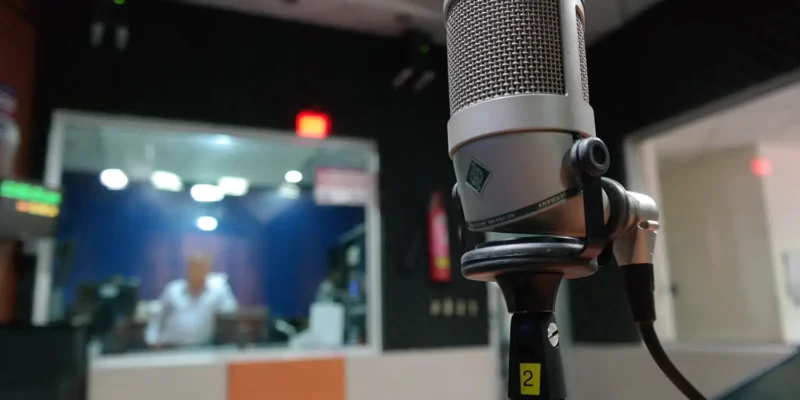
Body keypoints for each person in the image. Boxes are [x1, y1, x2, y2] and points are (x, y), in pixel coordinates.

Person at [145, 253, 238, 348]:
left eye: (202, 268)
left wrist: (223, 286)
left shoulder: (218, 292)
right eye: (195, 268)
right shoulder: (173, 290)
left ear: (208, 270)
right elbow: (157, 318)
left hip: (203, 349)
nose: (198, 272)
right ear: (188, 270)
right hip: (171, 348)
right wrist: (152, 340)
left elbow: (230, 312)